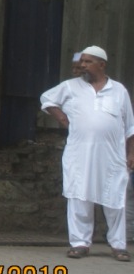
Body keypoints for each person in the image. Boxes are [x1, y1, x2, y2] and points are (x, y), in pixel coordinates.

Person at [40, 45, 134, 261]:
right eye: (81, 61)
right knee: (79, 198)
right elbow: (46, 99)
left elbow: (130, 127)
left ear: (102, 65)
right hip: (79, 156)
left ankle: (119, 246)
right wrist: (62, 118)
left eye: (88, 61)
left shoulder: (119, 91)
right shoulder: (71, 87)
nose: (83, 65)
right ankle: (80, 243)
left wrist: (131, 153)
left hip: (112, 157)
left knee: (115, 200)